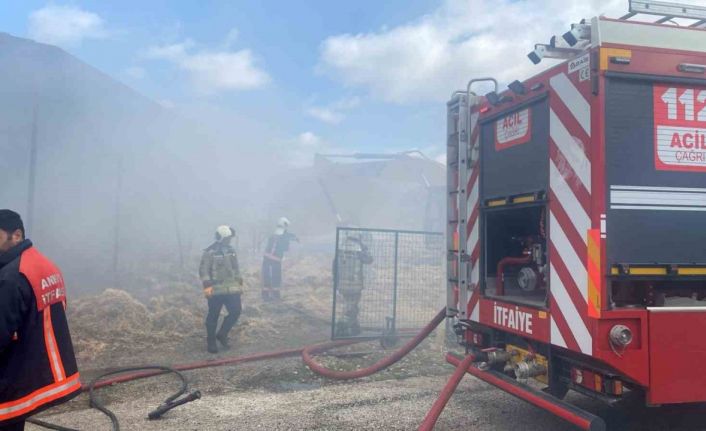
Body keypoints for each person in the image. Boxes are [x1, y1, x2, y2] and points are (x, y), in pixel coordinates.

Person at [0, 210, 81, 431]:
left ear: (16, 235)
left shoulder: (11, 278)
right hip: (41, 369)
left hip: (14, 375)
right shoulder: (43, 263)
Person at [199, 225, 244, 354]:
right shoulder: (209, 252)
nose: (230, 240)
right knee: (213, 315)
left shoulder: (231, 250)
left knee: (236, 311)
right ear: (222, 237)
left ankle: (222, 334)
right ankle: (211, 341)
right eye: (228, 238)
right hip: (216, 289)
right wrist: (207, 289)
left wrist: (239, 282)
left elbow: (236, 268)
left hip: (232, 288)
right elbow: (203, 271)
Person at [334, 232, 373, 337]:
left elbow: (335, 266)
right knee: (351, 306)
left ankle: (355, 327)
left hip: (342, 283)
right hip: (355, 284)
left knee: (351, 305)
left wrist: (336, 281)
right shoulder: (358, 249)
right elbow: (369, 259)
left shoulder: (341, 248)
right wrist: (365, 248)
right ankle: (342, 325)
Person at [261, 217, 298, 301]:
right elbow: (285, 247)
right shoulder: (283, 236)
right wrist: (294, 239)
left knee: (267, 276)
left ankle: (265, 295)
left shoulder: (274, 234)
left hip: (267, 258)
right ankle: (275, 295)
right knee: (276, 277)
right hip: (275, 259)